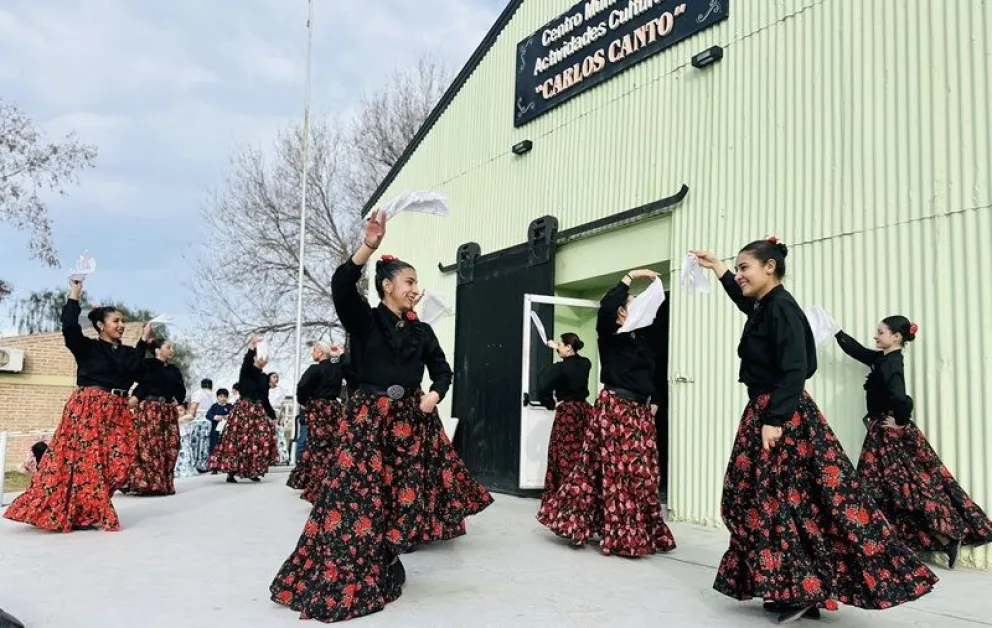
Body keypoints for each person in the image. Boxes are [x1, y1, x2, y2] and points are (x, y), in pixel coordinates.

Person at [690, 238, 938, 623]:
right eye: (737, 270)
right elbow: (746, 304)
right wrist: (719, 269)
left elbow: (796, 367)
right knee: (764, 500)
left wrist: (774, 421)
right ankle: (794, 586)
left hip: (779, 414)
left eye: (744, 268)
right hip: (766, 410)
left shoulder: (783, 309)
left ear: (769, 267)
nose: (739, 275)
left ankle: (801, 589)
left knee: (781, 501)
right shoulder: (767, 306)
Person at [270, 209, 493, 622]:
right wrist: (369, 244)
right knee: (355, 498)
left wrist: (436, 394)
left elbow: (443, 369)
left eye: (416, 283)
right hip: (368, 421)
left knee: (400, 501)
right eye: (409, 282)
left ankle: (386, 558)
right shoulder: (365, 322)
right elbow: (341, 284)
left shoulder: (423, 330)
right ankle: (350, 566)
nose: (415, 289)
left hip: (410, 422)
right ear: (388, 285)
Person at [537, 269, 674, 557]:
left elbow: (655, 374)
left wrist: (655, 402)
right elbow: (608, 306)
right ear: (621, 313)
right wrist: (630, 276)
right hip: (616, 408)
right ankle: (620, 535)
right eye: (632, 303)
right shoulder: (610, 335)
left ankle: (645, 531)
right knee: (619, 473)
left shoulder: (642, 339)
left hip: (640, 412)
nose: (636, 306)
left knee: (644, 475)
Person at [836, 318, 992, 568]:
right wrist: (836, 332)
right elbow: (859, 351)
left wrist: (900, 420)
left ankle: (941, 537)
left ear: (896, 337)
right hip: (881, 433)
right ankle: (925, 540)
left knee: (897, 488)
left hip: (887, 435)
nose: (876, 337)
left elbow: (899, 396)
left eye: (881, 332)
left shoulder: (891, 363)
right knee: (895, 488)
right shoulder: (883, 359)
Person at [3, 279, 153, 532]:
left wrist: (143, 344)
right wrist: (75, 293)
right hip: (88, 408)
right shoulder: (87, 347)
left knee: (119, 462)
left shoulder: (127, 353)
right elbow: (70, 327)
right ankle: (84, 513)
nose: (122, 325)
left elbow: (140, 372)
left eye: (122, 321)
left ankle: (86, 507)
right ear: (100, 325)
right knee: (87, 462)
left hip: (117, 410)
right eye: (116, 321)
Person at [207, 337, 278, 483]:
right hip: (244, 409)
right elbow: (246, 363)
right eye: (261, 357)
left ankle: (253, 470)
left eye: (265, 358)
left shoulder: (264, 378)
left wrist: (271, 414)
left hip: (257, 411)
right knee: (237, 440)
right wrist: (252, 348)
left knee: (257, 440)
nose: (263, 360)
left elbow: (265, 398)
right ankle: (231, 471)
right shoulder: (247, 371)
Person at [287, 342, 349, 502]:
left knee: (317, 445)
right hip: (334, 408)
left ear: (320, 352)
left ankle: (318, 486)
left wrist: (304, 401)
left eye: (313, 350)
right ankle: (335, 484)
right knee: (334, 445)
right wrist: (340, 354)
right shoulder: (337, 368)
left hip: (318, 408)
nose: (312, 353)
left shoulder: (315, 369)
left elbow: (302, 387)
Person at [536, 333, 593, 502]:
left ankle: (564, 497)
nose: (557, 346)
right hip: (584, 411)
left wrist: (550, 404)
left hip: (567, 412)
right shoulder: (585, 364)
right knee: (582, 454)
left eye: (560, 344)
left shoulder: (559, 368)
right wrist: (559, 348)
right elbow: (574, 363)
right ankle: (582, 495)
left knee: (564, 455)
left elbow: (542, 386)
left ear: (568, 347)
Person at [127, 340, 186, 496]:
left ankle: (164, 483)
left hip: (167, 411)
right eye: (168, 347)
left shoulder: (174, 370)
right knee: (150, 446)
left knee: (170, 446)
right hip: (149, 409)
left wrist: (177, 401)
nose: (171, 350)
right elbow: (140, 381)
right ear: (158, 350)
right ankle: (148, 484)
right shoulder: (148, 364)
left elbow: (181, 390)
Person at [205, 388, 233, 465]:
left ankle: (226, 464)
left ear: (227, 397)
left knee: (226, 446)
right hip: (215, 431)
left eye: (225, 397)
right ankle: (214, 465)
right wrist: (216, 417)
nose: (223, 398)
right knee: (214, 446)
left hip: (227, 431)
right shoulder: (214, 406)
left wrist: (228, 416)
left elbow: (234, 415)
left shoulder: (230, 406)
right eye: (220, 396)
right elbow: (208, 415)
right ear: (217, 397)